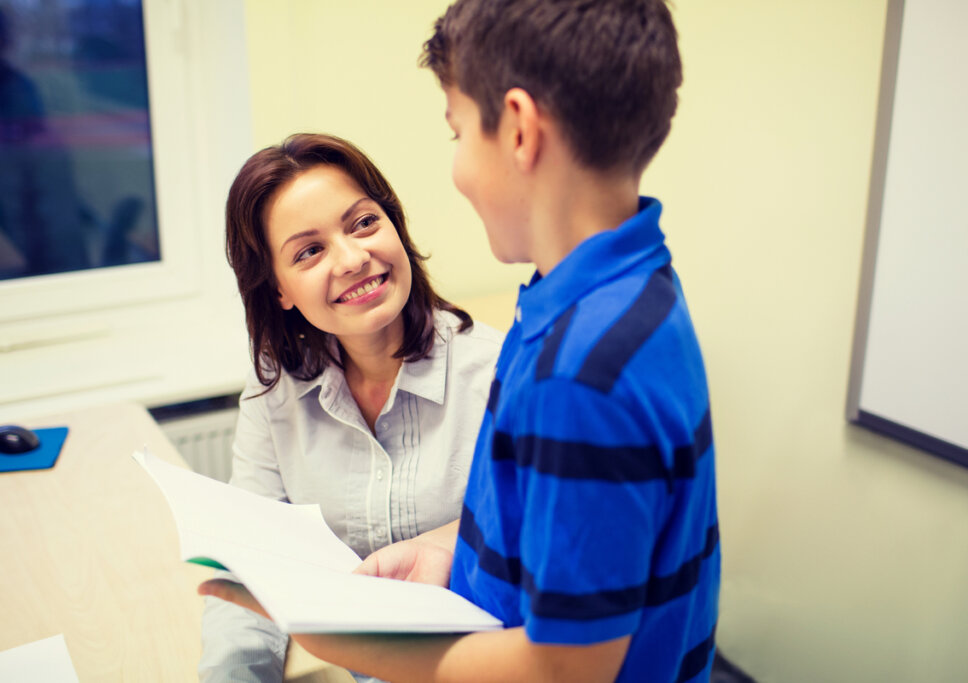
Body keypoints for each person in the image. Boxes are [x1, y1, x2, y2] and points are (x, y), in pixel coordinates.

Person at [202, 1, 721, 681]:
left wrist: (332, 635)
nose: (457, 171)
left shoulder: (578, 370)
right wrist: (455, 548)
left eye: (456, 133)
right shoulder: (620, 290)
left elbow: (563, 669)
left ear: (519, 131)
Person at [198, 133, 503, 682]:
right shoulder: (276, 393)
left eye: (363, 223)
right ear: (279, 291)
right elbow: (251, 570)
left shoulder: (502, 374)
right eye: (308, 251)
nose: (353, 258)